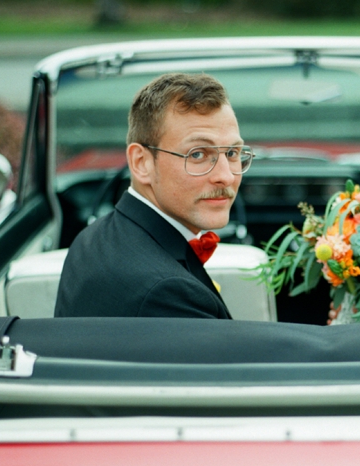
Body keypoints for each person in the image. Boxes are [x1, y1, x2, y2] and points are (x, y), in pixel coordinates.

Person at [55, 73, 254, 319]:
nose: (226, 176)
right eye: (197, 154)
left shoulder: (91, 238)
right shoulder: (168, 292)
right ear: (141, 163)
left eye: (233, 152)